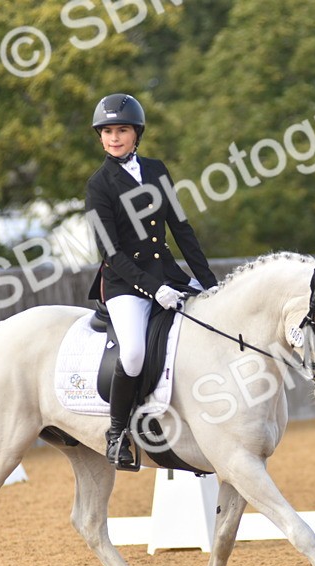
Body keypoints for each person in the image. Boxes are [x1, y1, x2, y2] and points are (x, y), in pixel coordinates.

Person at [85, 93, 218, 469]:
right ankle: (116, 434)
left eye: (122, 130)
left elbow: (181, 229)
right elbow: (111, 253)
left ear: (136, 134)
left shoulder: (157, 170)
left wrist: (208, 282)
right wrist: (152, 289)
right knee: (133, 353)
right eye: (108, 131)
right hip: (126, 286)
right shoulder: (98, 186)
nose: (114, 138)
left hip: (169, 276)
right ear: (100, 137)